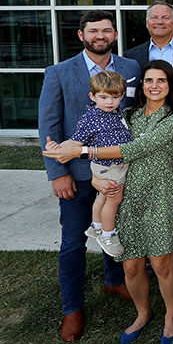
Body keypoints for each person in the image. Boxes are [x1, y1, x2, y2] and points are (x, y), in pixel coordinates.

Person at [43, 60, 173, 344]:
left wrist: (82, 151)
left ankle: (171, 317)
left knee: (161, 263)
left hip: (159, 194)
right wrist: (94, 177)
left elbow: (136, 149)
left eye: (161, 80)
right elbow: (99, 144)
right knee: (131, 265)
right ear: (141, 85)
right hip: (123, 195)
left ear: (169, 85)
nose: (154, 86)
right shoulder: (126, 115)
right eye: (149, 80)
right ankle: (143, 313)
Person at [38, 10, 140, 342]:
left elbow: (132, 118)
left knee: (114, 229)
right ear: (81, 35)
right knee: (72, 243)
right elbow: (49, 125)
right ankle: (72, 308)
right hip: (78, 175)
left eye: (106, 30)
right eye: (93, 30)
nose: (101, 35)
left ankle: (114, 279)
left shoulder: (130, 69)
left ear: (114, 34)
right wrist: (58, 174)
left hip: (118, 171)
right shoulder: (59, 72)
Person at [72, 71, 133, 258]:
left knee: (103, 196)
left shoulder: (117, 113)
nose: (109, 102)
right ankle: (108, 234)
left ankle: (96, 226)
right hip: (107, 165)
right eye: (103, 97)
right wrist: (58, 148)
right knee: (114, 198)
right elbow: (76, 141)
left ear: (122, 96)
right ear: (93, 96)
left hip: (112, 164)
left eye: (115, 97)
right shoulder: (91, 118)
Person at [124, 0, 173, 70]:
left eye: (165, 18)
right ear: (147, 22)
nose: (159, 22)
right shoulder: (131, 56)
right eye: (154, 17)